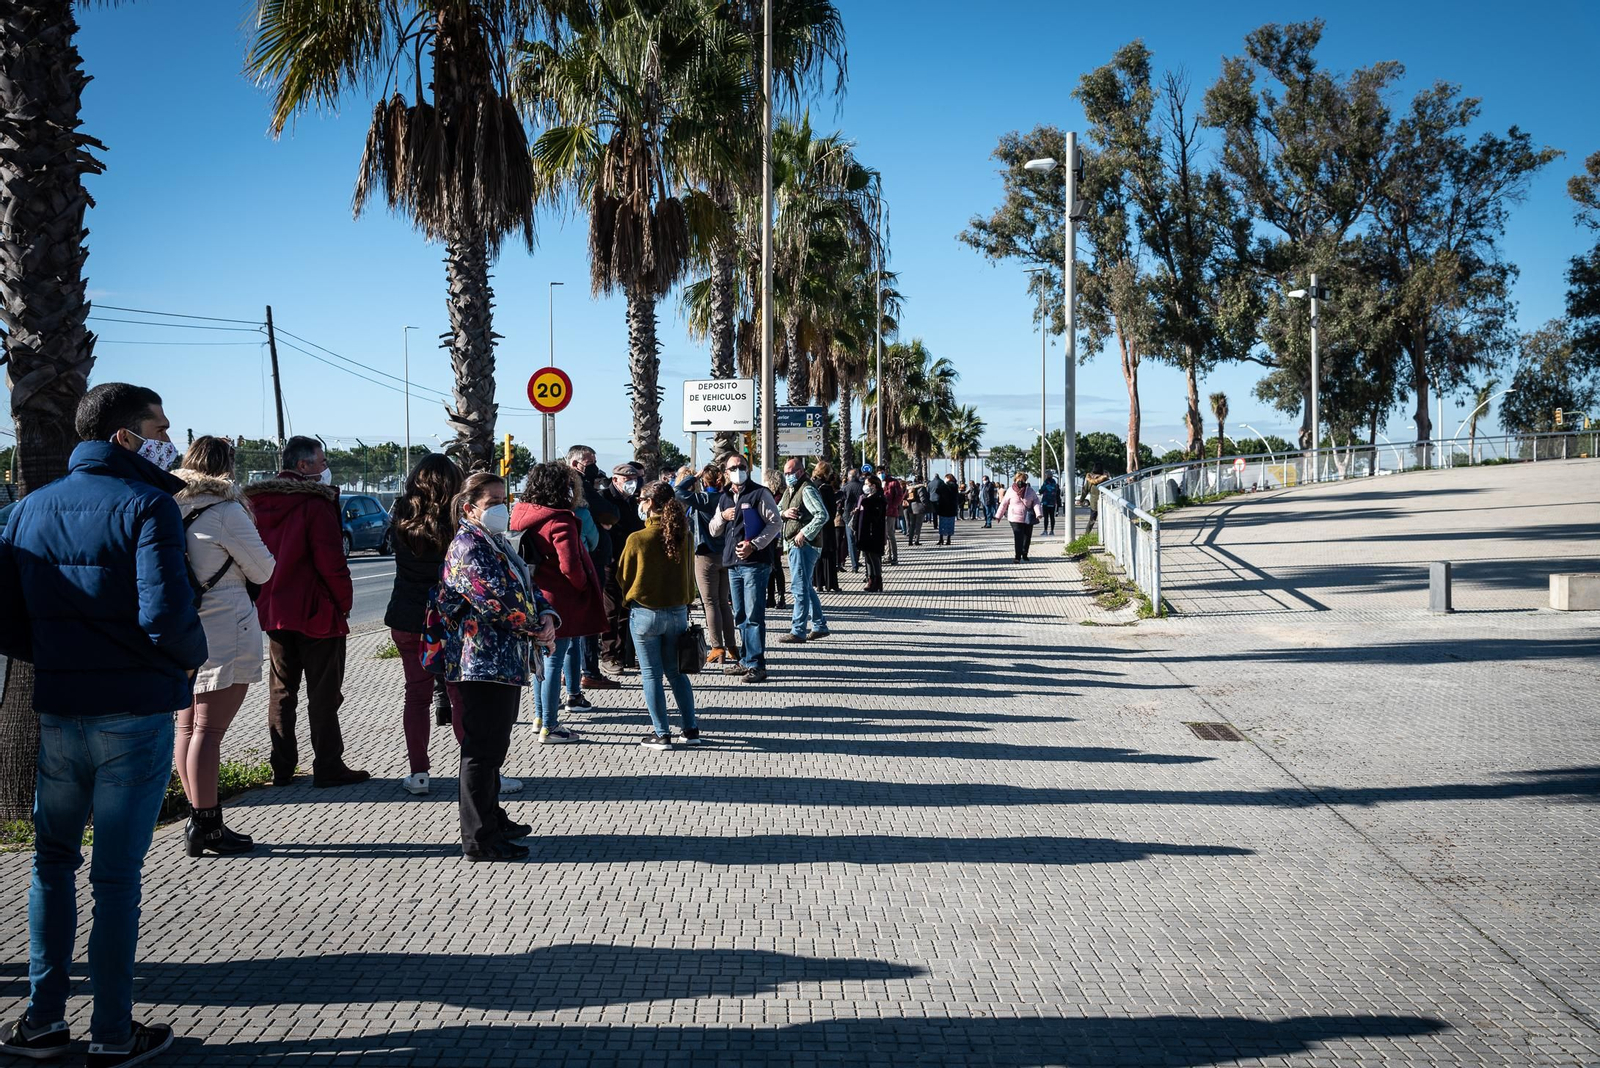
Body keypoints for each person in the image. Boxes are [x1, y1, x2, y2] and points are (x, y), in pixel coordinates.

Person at [0, 383, 205, 1066]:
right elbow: (164, 616)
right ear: (125, 437)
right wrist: (186, 660)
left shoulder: (26, 509)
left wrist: (63, 657)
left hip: (62, 711)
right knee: (116, 878)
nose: (168, 439)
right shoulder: (148, 505)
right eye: (159, 427)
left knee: (51, 863)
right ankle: (113, 1033)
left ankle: (41, 1023)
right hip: (135, 713)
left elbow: (9, 621)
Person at [424, 472, 558, 862]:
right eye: (493, 502)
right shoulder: (467, 545)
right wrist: (538, 628)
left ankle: (492, 820)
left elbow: (525, 587)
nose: (503, 507)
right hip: (479, 662)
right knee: (481, 751)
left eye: (505, 499)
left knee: (494, 747)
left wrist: (548, 614)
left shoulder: (493, 540)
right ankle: (480, 838)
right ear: (470, 508)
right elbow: (495, 600)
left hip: (503, 660)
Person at [173, 437, 277, 855]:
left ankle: (197, 814)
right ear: (227, 467)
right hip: (224, 622)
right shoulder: (226, 510)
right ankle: (207, 826)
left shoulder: (168, 503)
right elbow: (264, 569)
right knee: (209, 731)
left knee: (185, 726)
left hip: (183, 624)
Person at [244, 436, 365, 788]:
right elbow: (331, 561)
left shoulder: (254, 503)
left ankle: (281, 766)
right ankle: (328, 764)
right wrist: (344, 603)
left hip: (274, 610)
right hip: (316, 612)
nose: (326, 468)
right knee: (324, 694)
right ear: (303, 466)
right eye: (321, 461)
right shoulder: (314, 502)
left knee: (282, 691)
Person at [385, 454, 467, 796]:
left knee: (416, 695)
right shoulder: (458, 517)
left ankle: (418, 773)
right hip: (448, 618)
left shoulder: (400, 514)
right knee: (460, 694)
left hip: (407, 617)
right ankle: (474, 771)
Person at [512, 462, 606, 744]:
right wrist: (582, 586)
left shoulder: (521, 514)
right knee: (553, 660)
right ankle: (551, 727)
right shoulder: (560, 519)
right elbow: (570, 565)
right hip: (559, 600)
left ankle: (540, 717)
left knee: (541, 661)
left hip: (533, 594)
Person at [616, 480, 700, 748]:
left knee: (651, 675)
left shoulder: (638, 539)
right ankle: (690, 729)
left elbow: (623, 576)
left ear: (650, 503)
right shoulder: (684, 535)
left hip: (645, 613)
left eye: (642, 499)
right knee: (676, 674)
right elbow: (690, 575)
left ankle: (661, 733)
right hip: (677, 612)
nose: (640, 503)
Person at [708, 453, 781, 683]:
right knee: (740, 614)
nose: (738, 470)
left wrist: (754, 545)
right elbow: (713, 530)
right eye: (733, 467)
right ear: (726, 473)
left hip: (755, 564)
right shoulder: (725, 497)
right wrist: (722, 516)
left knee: (754, 615)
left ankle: (757, 664)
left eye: (741, 466)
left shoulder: (760, 493)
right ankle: (745, 660)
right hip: (733, 564)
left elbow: (775, 523)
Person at [566, 445, 620, 692]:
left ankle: (574, 673)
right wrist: (602, 521)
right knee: (587, 620)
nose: (595, 466)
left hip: (588, 558)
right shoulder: (579, 485)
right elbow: (610, 514)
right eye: (590, 462)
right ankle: (588, 671)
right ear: (577, 464)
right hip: (589, 561)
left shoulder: (580, 484)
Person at [676, 462, 738, 664]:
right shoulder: (727, 498)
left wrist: (694, 476)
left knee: (710, 603)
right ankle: (732, 646)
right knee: (724, 604)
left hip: (705, 554)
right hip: (726, 554)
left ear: (704, 481)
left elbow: (678, 491)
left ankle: (717, 646)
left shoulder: (702, 499)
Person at [598, 461, 644, 675]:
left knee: (627, 608)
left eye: (633, 480)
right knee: (610, 611)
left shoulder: (633, 501)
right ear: (615, 479)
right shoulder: (605, 499)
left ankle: (624, 654)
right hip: (612, 561)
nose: (631, 484)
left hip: (632, 562)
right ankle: (609, 655)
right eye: (627, 480)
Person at [778, 457, 830, 643]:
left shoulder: (806, 489)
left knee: (799, 588)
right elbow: (778, 509)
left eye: (790, 473)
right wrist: (784, 513)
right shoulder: (791, 490)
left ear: (799, 472)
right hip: (795, 544)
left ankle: (798, 630)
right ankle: (819, 625)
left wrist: (804, 533)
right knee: (806, 586)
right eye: (785, 473)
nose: (787, 476)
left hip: (803, 545)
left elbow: (822, 514)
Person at [996, 472, 1043, 563]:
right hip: (1015, 517)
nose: (1020, 481)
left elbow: (1036, 502)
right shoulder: (1010, 490)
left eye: (1022, 480)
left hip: (1027, 517)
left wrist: (1038, 513)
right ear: (1015, 480)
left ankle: (1025, 553)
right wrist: (998, 516)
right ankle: (1017, 556)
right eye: (1019, 479)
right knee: (1018, 536)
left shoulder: (1030, 490)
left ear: (1025, 480)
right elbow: (1004, 504)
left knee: (1027, 536)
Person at [852, 473, 888, 591]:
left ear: (874, 485)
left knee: (874, 556)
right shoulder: (866, 498)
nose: (865, 486)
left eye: (867, 484)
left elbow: (876, 515)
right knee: (867, 556)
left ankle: (877, 580)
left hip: (874, 532)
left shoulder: (878, 499)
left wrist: (865, 506)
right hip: (865, 531)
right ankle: (871, 578)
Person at [811, 462, 841, 593]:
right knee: (828, 554)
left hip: (815, 526)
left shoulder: (812, 486)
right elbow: (831, 509)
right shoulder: (826, 488)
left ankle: (818, 583)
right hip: (827, 525)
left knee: (817, 555)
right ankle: (830, 583)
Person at [763, 467, 788, 610]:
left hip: (777, 535)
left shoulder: (779, 497)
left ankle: (781, 596)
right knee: (770, 566)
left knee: (776, 566)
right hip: (770, 535)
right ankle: (771, 597)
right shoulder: (770, 495)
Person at [839, 466, 864, 571]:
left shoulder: (845, 487)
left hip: (848, 516)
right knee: (860, 539)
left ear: (849, 477)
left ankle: (854, 565)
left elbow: (840, 501)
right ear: (857, 476)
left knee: (851, 541)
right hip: (861, 515)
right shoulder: (862, 486)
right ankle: (858, 560)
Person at [881, 470, 904, 564]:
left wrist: (893, 506)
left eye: (882, 472)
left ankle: (894, 557)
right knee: (884, 535)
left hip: (890, 512)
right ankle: (887, 556)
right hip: (880, 512)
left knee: (890, 534)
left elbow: (899, 496)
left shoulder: (894, 482)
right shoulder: (877, 483)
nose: (880, 474)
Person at [1081, 462, 1110, 536]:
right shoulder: (1106, 480)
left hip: (1094, 504)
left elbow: (1085, 491)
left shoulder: (1090, 480)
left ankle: (1086, 535)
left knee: (1092, 520)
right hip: (1104, 503)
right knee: (1104, 520)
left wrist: (1081, 500)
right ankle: (1103, 535)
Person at [934, 473, 961, 545]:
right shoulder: (955, 486)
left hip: (943, 507)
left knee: (942, 524)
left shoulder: (943, 486)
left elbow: (937, 491)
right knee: (950, 524)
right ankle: (948, 539)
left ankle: (941, 539)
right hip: (952, 508)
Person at [1039, 472, 1062, 536]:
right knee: (1052, 517)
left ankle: (1045, 530)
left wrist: (1040, 490)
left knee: (1046, 517)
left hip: (1046, 502)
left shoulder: (1046, 483)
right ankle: (1052, 531)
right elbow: (1058, 493)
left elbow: (1041, 490)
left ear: (1047, 476)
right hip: (1053, 502)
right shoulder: (1055, 484)